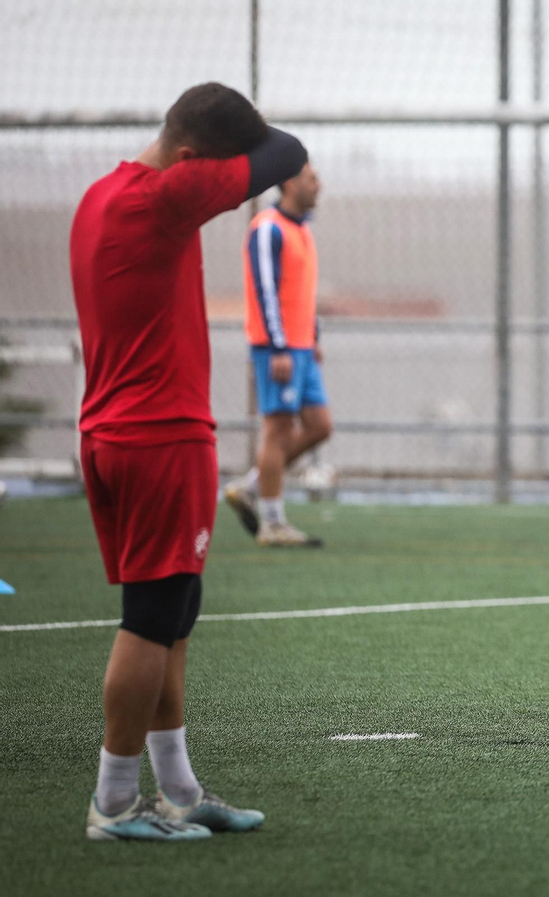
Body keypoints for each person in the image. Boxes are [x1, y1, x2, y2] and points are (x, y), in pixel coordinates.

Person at [70, 82, 307, 841]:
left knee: (175, 613)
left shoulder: (101, 194)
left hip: (116, 432)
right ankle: (112, 802)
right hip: (157, 436)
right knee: (148, 619)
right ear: (188, 159)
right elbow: (287, 153)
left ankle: (177, 789)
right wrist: (244, 147)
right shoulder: (161, 198)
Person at [222, 161, 330, 547]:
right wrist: (279, 346)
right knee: (278, 431)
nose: (318, 185)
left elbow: (302, 291)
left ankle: (251, 487)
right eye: (311, 178)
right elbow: (265, 291)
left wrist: (312, 334)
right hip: (278, 348)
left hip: (301, 345)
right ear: (288, 182)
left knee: (320, 425)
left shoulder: (302, 228)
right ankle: (272, 522)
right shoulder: (267, 227)